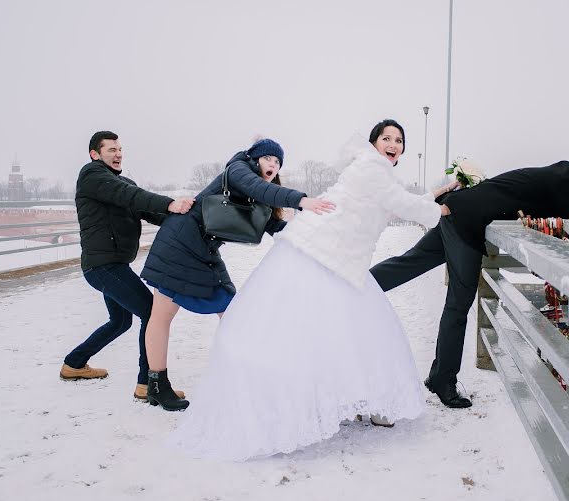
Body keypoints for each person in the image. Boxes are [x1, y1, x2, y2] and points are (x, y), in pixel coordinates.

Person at [167, 120, 457, 460]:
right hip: (323, 254)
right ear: (374, 143)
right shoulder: (370, 167)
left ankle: (364, 399)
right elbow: (403, 204)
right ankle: (339, 403)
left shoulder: (377, 172)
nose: (393, 144)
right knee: (332, 331)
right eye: (386, 138)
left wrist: (442, 190)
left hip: (339, 259)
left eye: (398, 140)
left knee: (348, 331)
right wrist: (439, 210)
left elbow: (399, 201)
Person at [370, 157, 569, 409]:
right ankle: (443, 380)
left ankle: (360, 284)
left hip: (457, 211)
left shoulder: (554, 177)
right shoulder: (567, 177)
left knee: (409, 263)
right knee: (458, 305)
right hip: (466, 225)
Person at [139, 138, 335, 411]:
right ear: (255, 158)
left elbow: (274, 226)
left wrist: (312, 235)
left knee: (231, 310)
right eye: (269, 158)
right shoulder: (238, 170)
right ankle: (157, 385)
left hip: (201, 248)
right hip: (180, 242)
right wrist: (302, 201)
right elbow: (258, 188)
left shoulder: (259, 193)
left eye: (278, 162)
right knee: (162, 315)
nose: (273, 165)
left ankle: (238, 377)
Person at [61, 130, 195, 402]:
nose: (118, 153)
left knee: (120, 321)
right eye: (111, 149)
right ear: (95, 155)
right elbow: (130, 196)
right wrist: (171, 203)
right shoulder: (92, 176)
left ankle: (74, 363)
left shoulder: (121, 184)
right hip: (103, 266)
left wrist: (190, 218)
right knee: (151, 312)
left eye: (120, 149)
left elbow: (150, 211)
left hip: (113, 264)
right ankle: (146, 383)